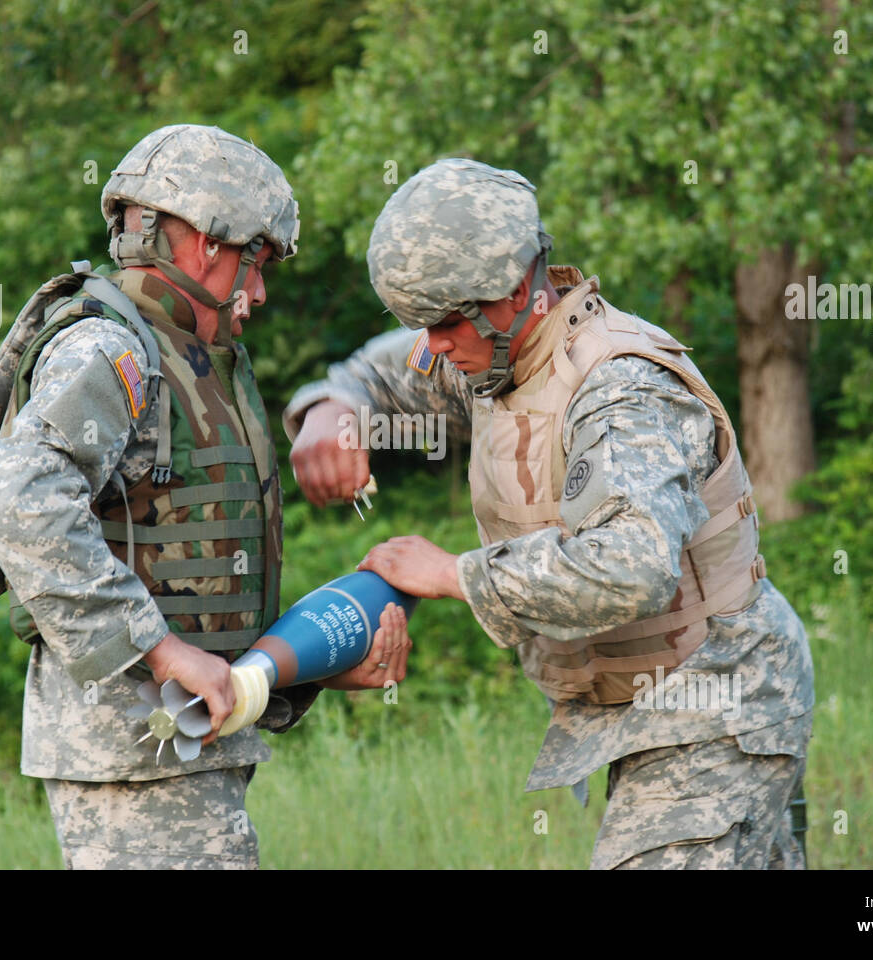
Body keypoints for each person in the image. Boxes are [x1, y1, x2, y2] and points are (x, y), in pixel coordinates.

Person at [285, 158, 813, 869]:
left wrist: (454, 574)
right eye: (420, 323)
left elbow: (633, 568)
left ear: (510, 294)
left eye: (442, 323)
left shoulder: (622, 390)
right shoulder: (491, 354)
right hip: (643, 707)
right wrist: (333, 407)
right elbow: (383, 370)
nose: (432, 345)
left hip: (718, 704)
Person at [0, 124, 409, 869]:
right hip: (133, 754)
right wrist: (162, 649)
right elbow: (20, 504)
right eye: (257, 260)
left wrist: (291, 670)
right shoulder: (109, 348)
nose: (261, 291)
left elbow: (184, 559)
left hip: (177, 746)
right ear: (206, 242)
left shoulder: (181, 352)